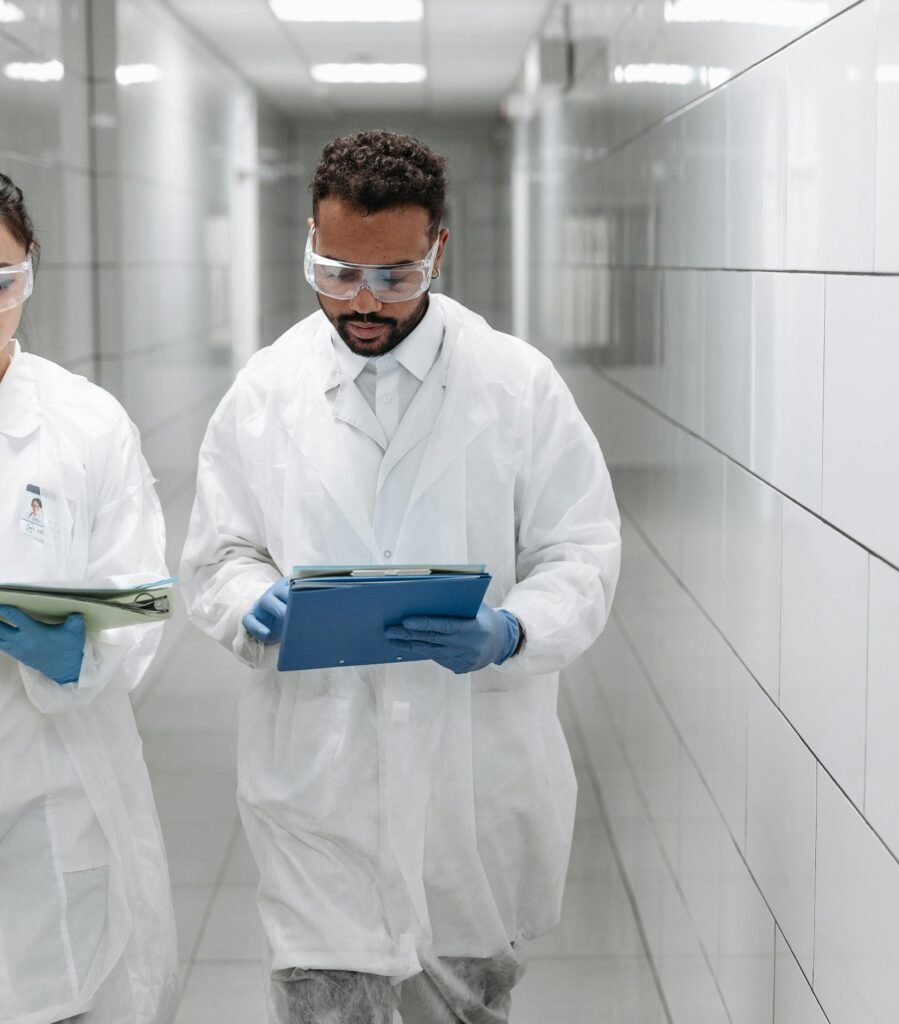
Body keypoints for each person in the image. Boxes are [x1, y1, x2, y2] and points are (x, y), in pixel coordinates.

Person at [180, 130, 621, 1024]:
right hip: (320, 778)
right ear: (310, 240)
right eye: (338, 272)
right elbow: (218, 555)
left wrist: (515, 630)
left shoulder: (515, 385)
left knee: (463, 1003)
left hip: (475, 780)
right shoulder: (265, 393)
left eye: (395, 275)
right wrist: (243, 602)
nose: (363, 301)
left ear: (438, 251)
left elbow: (580, 548)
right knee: (324, 995)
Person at [0, 173, 177, 1023]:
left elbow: (141, 598)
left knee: (49, 996)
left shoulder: (86, 424)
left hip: (49, 780)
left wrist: (75, 647)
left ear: (30, 268)